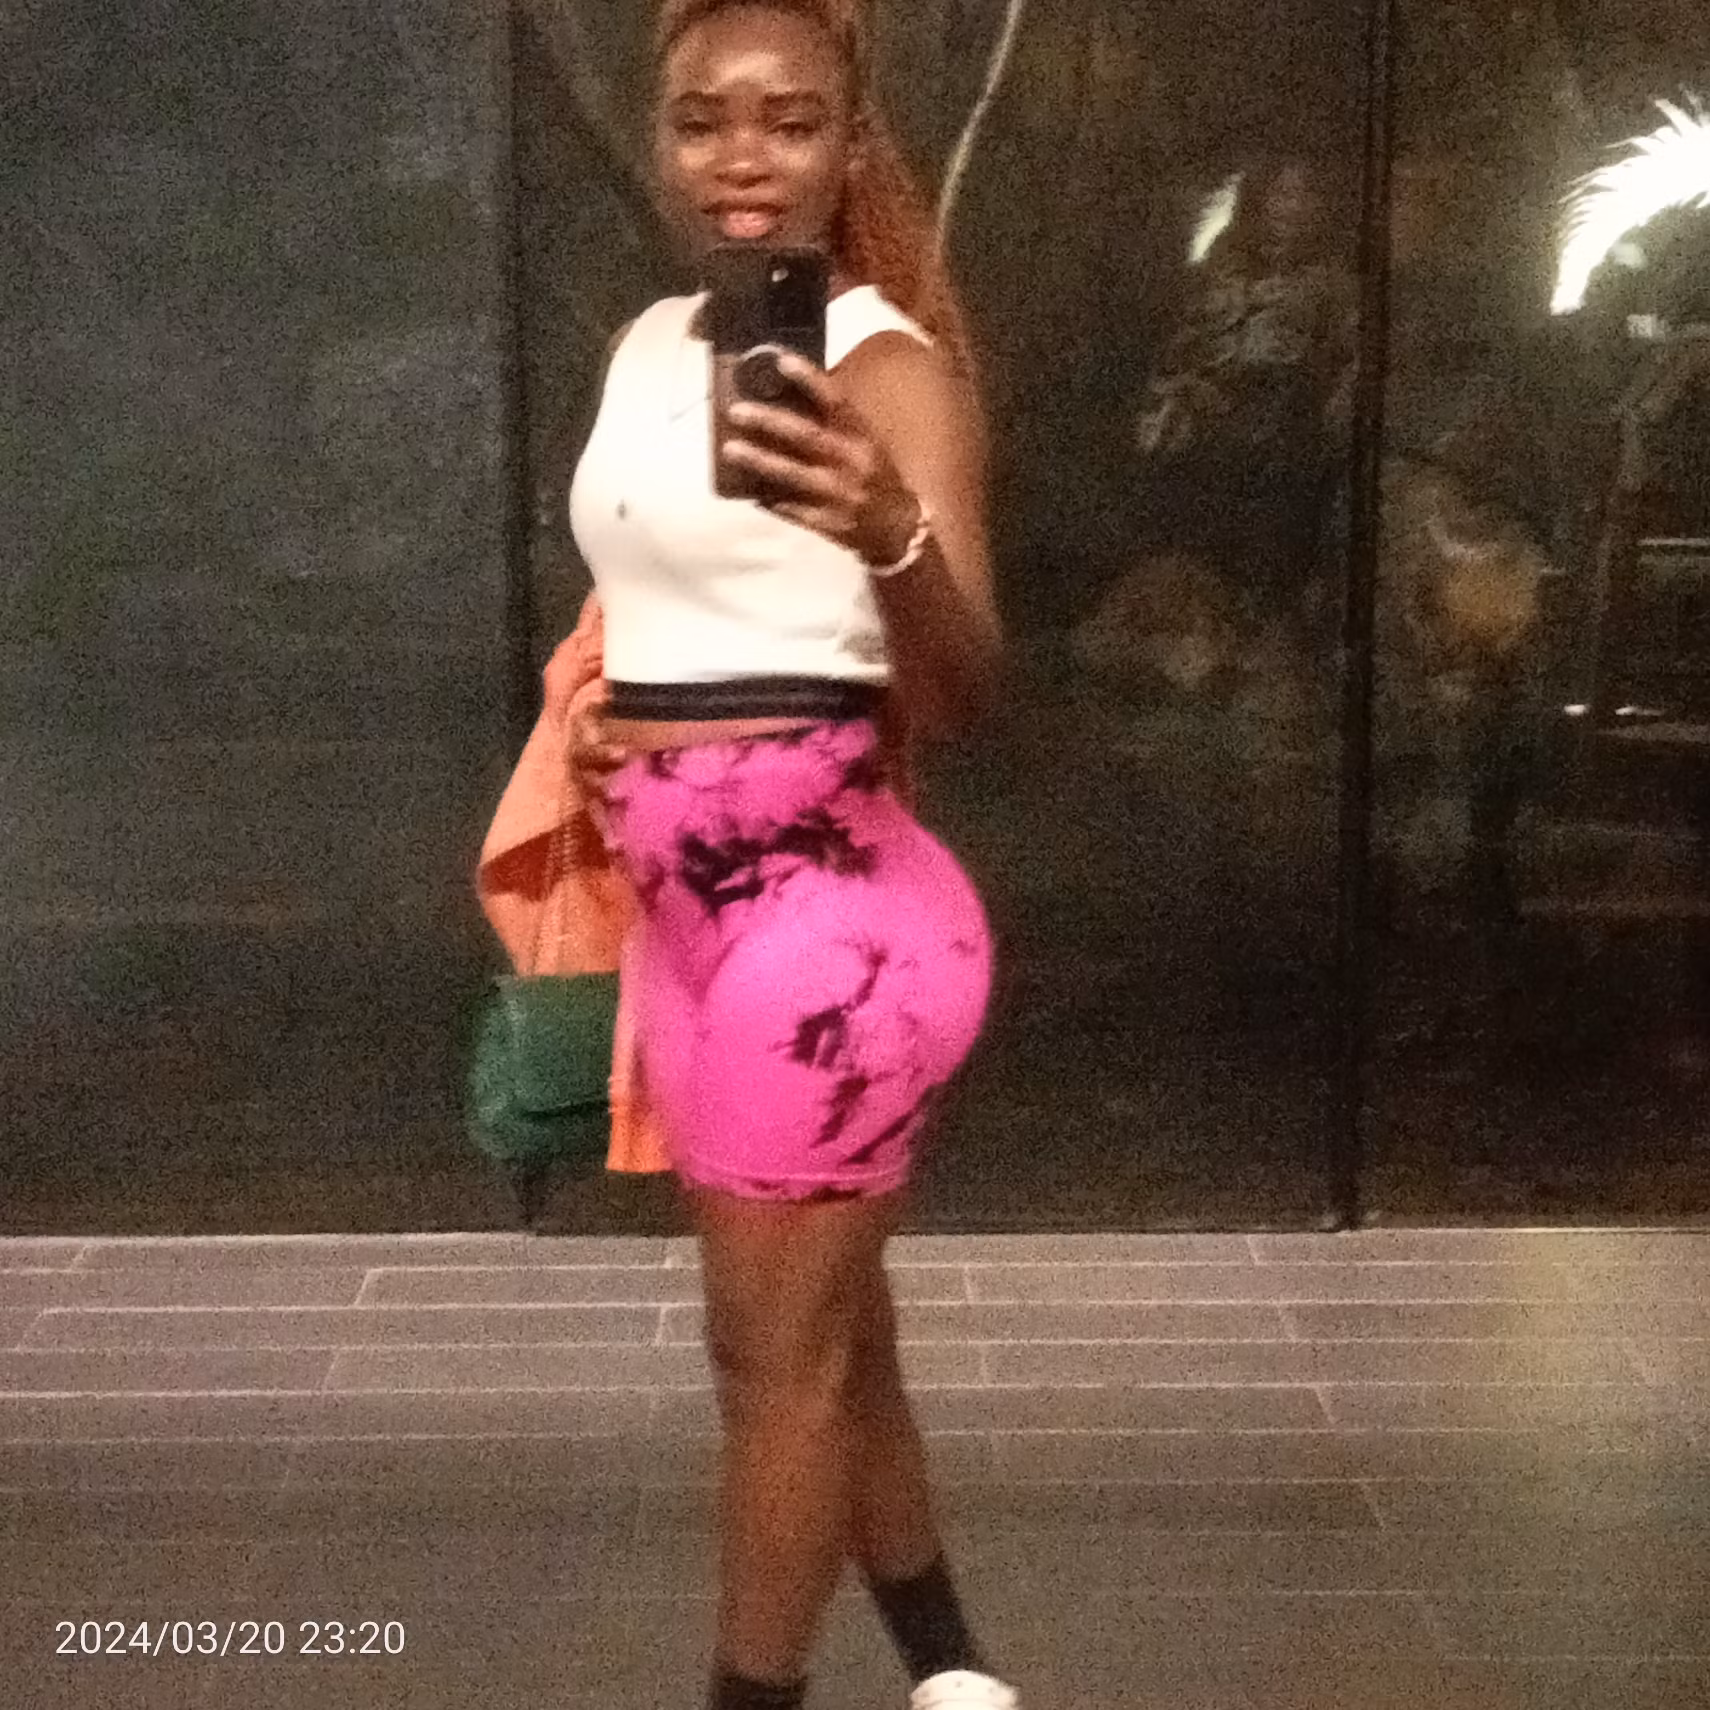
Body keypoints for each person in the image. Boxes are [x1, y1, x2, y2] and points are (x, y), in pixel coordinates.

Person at [561, 5, 1016, 1708]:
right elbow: (654, 601)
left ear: (847, 142)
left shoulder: (891, 371)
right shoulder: (645, 346)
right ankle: (953, 1669)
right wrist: (606, 719)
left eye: (788, 120)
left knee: (773, 1366)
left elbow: (961, 692)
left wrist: (883, 526)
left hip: (827, 938)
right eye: (702, 120)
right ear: (663, 137)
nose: (741, 157)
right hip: (686, 920)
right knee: (828, 1340)